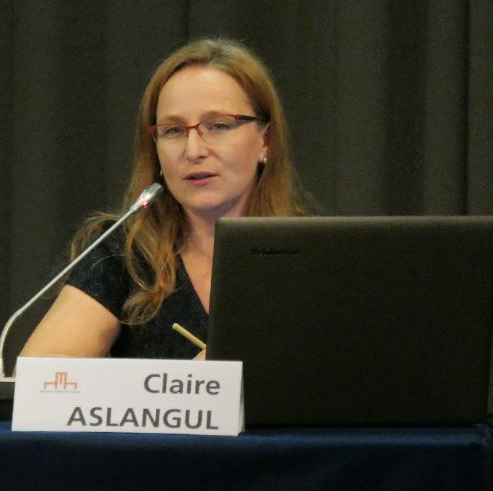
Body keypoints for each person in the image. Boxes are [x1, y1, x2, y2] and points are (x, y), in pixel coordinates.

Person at [20, 38, 305, 361]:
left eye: (218, 126)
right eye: (173, 131)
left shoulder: (311, 259)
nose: (194, 150)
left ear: (266, 141)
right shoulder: (126, 254)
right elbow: (38, 377)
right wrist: (183, 383)